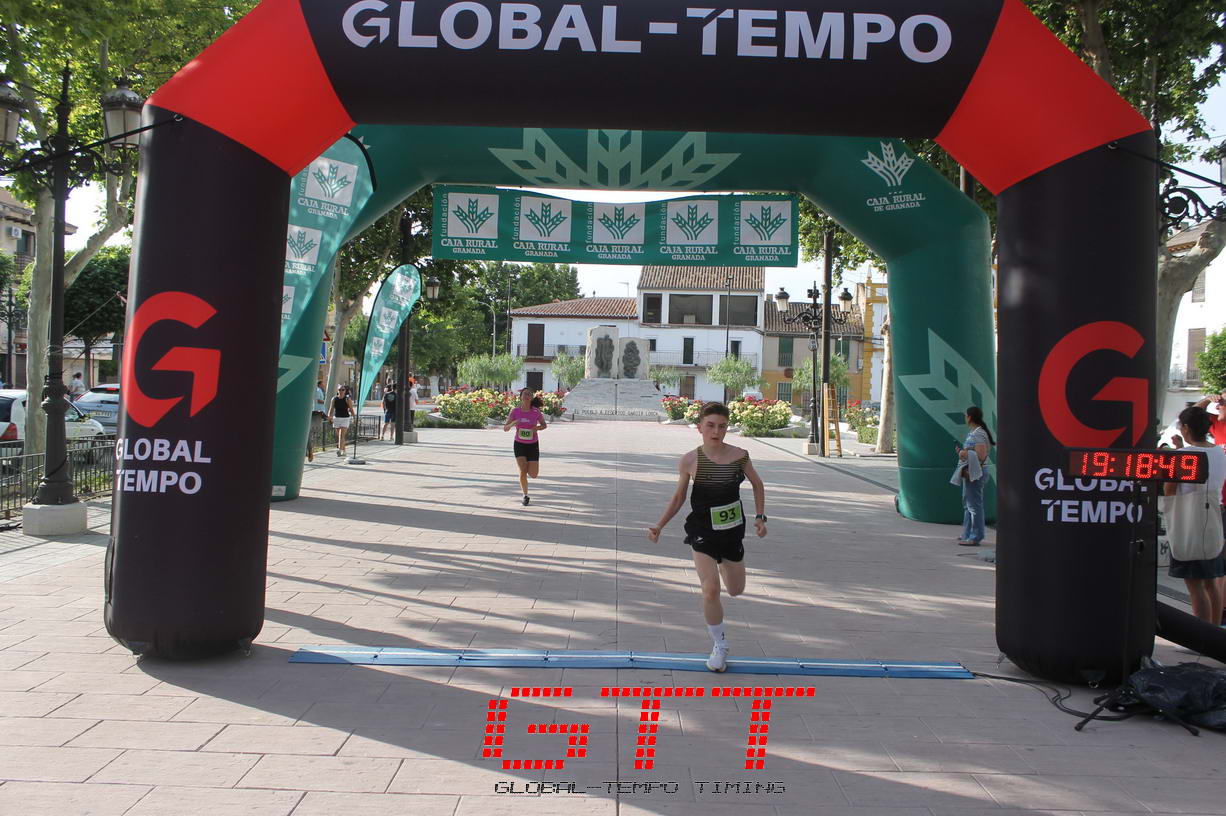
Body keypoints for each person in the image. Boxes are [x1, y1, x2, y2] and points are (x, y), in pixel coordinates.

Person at [646, 402, 767, 672]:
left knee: (735, 590)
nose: (716, 431)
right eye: (710, 425)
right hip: (701, 530)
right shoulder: (690, 460)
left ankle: (724, 564)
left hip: (732, 531)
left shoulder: (740, 456)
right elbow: (679, 497)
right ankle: (720, 645)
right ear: (699, 427)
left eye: (722, 426)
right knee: (710, 590)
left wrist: (760, 517)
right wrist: (659, 525)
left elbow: (758, 485)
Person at [1166, 405, 1226, 626]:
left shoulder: (1182, 456)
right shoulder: (1219, 452)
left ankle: (1201, 636)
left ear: (1186, 428)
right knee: (1212, 581)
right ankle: (1214, 634)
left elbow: (1170, 490)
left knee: (1195, 584)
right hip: (1215, 518)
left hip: (1189, 522)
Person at [1192, 388, 1226, 623]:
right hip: (1218, 504)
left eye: (1223, 401)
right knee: (1218, 565)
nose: (1219, 403)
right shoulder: (1218, 425)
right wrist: (1207, 399)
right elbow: (1191, 417)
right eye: (1219, 400)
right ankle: (1219, 615)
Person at [952, 405, 994, 546]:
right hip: (971, 472)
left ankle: (975, 536)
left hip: (976, 473)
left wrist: (963, 453)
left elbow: (981, 455)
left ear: (969, 417)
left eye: (966, 415)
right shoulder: (974, 432)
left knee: (974, 505)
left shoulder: (978, 434)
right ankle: (967, 533)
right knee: (968, 504)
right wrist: (964, 452)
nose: (965, 418)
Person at [503, 387, 547, 505]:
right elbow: (505, 428)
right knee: (523, 470)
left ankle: (528, 467)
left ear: (531, 398)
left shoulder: (536, 412)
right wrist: (513, 423)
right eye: (525, 394)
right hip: (519, 444)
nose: (527, 396)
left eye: (529, 394)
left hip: (533, 445)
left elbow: (544, 425)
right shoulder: (515, 411)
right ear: (521, 397)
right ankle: (525, 495)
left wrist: (536, 428)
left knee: (533, 474)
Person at [327, 384, 355, 457]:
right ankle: (344, 451)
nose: (341, 391)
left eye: (343, 390)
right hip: (336, 418)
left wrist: (354, 417)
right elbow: (331, 409)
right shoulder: (334, 399)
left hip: (345, 418)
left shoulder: (347, 399)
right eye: (340, 390)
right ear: (337, 390)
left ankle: (339, 450)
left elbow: (351, 409)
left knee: (341, 435)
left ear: (345, 391)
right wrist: (329, 416)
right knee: (340, 436)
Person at [306, 379, 326, 463]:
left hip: (315, 412)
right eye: (323, 383)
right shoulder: (317, 391)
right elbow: (317, 400)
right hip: (315, 412)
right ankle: (309, 450)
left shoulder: (317, 390)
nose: (324, 384)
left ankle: (310, 450)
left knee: (309, 433)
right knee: (308, 433)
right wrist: (325, 401)